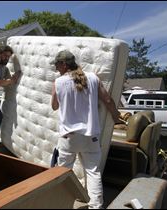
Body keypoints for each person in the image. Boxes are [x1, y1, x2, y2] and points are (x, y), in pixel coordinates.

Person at [51, 50, 120, 209]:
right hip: (90, 136)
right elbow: (108, 100)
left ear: (64, 64)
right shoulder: (93, 78)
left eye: (57, 65)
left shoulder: (58, 82)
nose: (56, 69)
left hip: (69, 137)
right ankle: (96, 206)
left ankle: (59, 205)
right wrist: (116, 117)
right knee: (93, 172)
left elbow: (54, 106)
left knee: (63, 172)